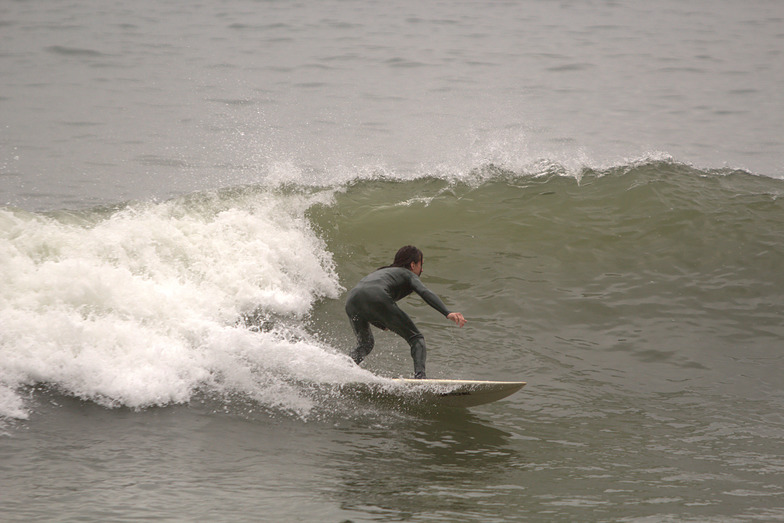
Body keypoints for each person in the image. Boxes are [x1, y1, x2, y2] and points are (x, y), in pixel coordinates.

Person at [345, 245, 467, 379]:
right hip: (376, 296)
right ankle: (420, 380)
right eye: (421, 265)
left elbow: (366, 299)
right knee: (416, 339)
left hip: (351, 301)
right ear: (413, 265)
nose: (422, 270)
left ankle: (343, 369)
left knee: (365, 344)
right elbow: (425, 292)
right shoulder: (407, 273)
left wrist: (382, 324)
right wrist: (447, 312)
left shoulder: (383, 272)